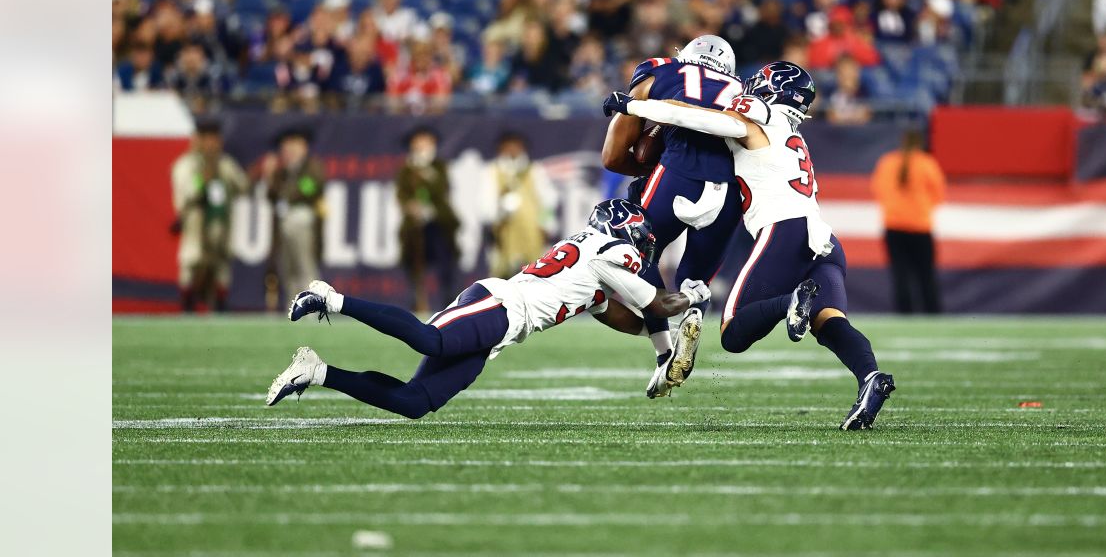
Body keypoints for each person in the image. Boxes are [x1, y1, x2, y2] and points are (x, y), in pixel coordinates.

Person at [604, 61, 895, 430]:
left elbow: (714, 121)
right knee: (829, 321)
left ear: (771, 90)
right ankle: (870, 377)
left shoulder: (762, 113)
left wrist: (635, 106)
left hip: (784, 232)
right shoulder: (793, 132)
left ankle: (793, 300)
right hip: (824, 239)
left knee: (734, 334)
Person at [266, 200, 711, 415]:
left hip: (503, 327)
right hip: (498, 304)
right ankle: (331, 296)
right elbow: (659, 301)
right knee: (431, 339)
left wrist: (664, 348)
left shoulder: (595, 269)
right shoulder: (608, 255)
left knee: (416, 402)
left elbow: (628, 317)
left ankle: (316, 371)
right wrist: (695, 296)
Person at [600, 36, 744, 397]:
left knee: (636, 251)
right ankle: (692, 306)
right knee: (694, 279)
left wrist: (647, 164)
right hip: (729, 187)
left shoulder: (663, 70)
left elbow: (612, 156)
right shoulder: (744, 90)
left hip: (678, 169)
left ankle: (664, 351)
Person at [170, 118, 248, 312]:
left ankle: (219, 310)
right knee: (191, 265)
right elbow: (184, 196)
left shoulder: (226, 164)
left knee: (221, 270)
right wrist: (201, 183)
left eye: (215, 139)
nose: (212, 144)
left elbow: (242, 186)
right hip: (196, 226)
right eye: (207, 139)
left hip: (221, 226)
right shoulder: (187, 165)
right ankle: (187, 310)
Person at [870, 129, 945, 315]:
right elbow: (939, 195)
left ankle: (905, 314)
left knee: (900, 274)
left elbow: (878, 190)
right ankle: (932, 313)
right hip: (920, 226)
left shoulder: (887, 162)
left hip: (894, 226)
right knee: (925, 275)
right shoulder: (927, 163)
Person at [396, 127, 461, 312]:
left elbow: (442, 190)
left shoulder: (439, 166)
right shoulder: (406, 169)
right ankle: (417, 303)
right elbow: (401, 194)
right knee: (414, 266)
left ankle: (450, 305)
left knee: (446, 266)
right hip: (414, 225)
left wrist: (426, 172)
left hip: (439, 223)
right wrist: (410, 206)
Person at [262, 128, 327, 305]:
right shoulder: (282, 172)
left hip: (304, 224)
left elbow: (311, 188)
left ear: (304, 146)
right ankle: (295, 311)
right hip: (283, 227)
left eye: (294, 144)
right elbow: (271, 196)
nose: (289, 150)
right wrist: (270, 176)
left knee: (305, 267)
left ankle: (313, 310)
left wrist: (287, 197)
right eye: (286, 146)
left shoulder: (312, 166)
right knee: (287, 270)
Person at [482, 132, 557, 277]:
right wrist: (497, 215)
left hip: (532, 231)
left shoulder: (535, 170)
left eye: (516, 146)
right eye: (507, 147)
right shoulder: (492, 171)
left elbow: (549, 200)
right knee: (502, 276)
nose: (512, 150)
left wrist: (546, 224)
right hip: (503, 232)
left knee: (536, 274)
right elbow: (486, 204)